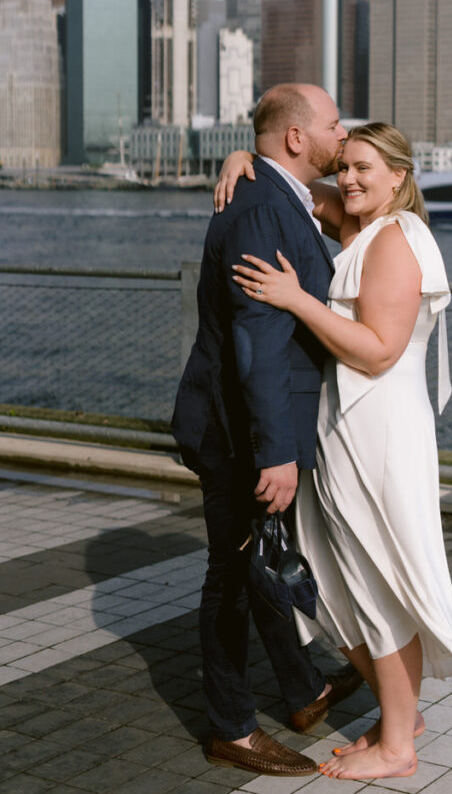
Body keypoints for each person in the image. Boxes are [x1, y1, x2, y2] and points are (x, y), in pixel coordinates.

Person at [225, 122, 452, 781]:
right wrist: (239, 157)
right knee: (336, 585)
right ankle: (403, 716)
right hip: (344, 428)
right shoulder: (356, 222)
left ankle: (398, 747)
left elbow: (377, 351)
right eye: (344, 167)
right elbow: (295, 183)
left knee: (380, 584)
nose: (348, 179)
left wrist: (297, 299)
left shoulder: (397, 240)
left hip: (382, 431)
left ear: (399, 175)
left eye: (365, 168)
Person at [171, 83, 361, 778]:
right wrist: (276, 452)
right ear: (294, 137)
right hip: (237, 431)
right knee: (230, 572)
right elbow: (255, 341)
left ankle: (303, 688)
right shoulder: (258, 206)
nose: (343, 135)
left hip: (255, 423)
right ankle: (231, 728)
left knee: (259, 558)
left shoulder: (281, 195)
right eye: (334, 124)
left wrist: (236, 154)